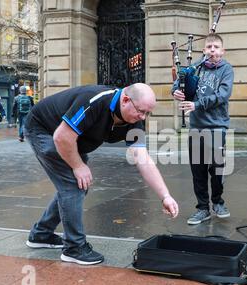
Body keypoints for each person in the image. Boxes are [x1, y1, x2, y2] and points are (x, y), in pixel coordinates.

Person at [24, 83, 179, 265]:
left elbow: (143, 159)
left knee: (77, 185)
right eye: (141, 111)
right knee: (73, 185)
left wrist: (165, 196)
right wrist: (78, 165)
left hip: (71, 138)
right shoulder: (95, 100)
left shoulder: (133, 122)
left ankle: (41, 235)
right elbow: (61, 137)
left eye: (147, 113)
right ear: (126, 100)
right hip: (45, 130)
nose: (142, 117)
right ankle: (74, 248)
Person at [172, 33, 234, 225]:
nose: (212, 50)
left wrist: (196, 104)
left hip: (217, 126)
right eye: (209, 47)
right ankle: (202, 208)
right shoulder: (196, 67)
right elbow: (179, 82)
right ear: (204, 50)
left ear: (222, 51)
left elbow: (222, 95)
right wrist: (175, 91)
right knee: (198, 170)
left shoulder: (226, 69)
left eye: (216, 47)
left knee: (216, 170)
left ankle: (218, 201)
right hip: (197, 126)